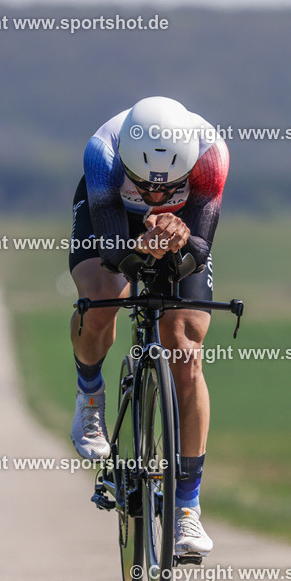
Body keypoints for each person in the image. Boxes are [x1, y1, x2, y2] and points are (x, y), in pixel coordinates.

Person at [68, 96, 229, 557]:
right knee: (102, 298)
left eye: (167, 187)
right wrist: (136, 246)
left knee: (184, 350)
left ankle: (187, 510)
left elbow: (200, 243)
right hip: (114, 216)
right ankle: (90, 394)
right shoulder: (103, 150)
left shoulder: (211, 152)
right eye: (147, 185)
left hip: (182, 224)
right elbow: (116, 252)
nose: (156, 195)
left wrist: (182, 241)